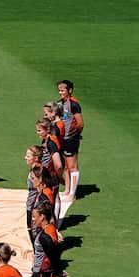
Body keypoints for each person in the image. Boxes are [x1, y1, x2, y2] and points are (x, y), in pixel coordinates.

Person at [57, 80, 83, 208]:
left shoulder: (74, 104)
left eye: (63, 90)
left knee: (72, 166)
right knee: (66, 166)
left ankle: (72, 193)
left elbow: (80, 123)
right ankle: (67, 190)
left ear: (70, 90)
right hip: (63, 138)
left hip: (71, 139)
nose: (60, 92)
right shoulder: (60, 103)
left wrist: (74, 135)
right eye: (59, 90)